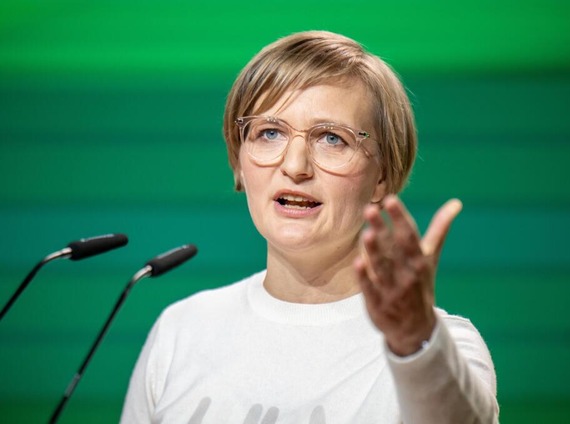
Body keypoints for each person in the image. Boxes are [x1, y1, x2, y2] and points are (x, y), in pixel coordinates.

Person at [120, 30, 499, 423]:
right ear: (238, 161)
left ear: (382, 177)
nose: (295, 165)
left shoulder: (442, 347)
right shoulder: (181, 331)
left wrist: (413, 344)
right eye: (270, 132)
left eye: (332, 138)